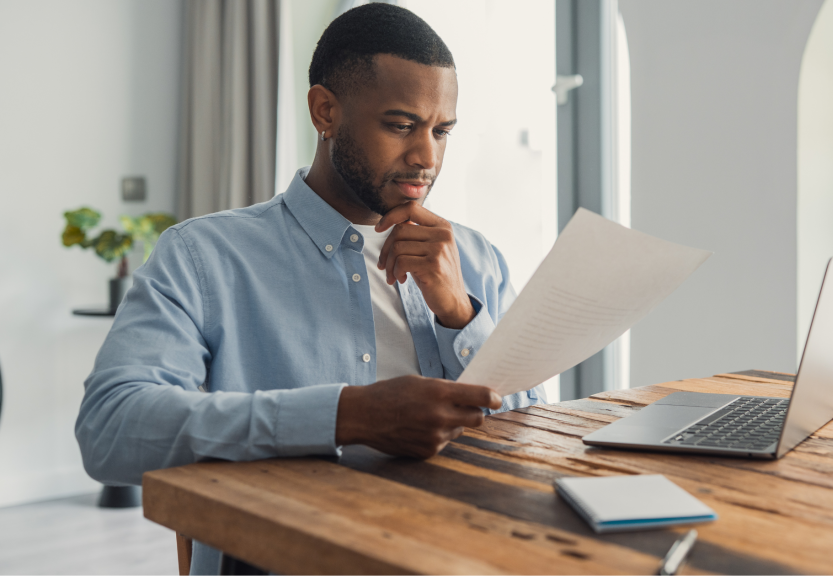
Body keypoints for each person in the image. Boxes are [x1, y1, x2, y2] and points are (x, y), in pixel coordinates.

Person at [76, 4, 545, 572]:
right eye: (401, 126)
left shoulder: (473, 258)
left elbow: (532, 439)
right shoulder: (204, 257)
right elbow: (111, 430)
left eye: (440, 131)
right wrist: (349, 416)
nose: (427, 157)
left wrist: (459, 315)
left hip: (461, 554)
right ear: (325, 111)